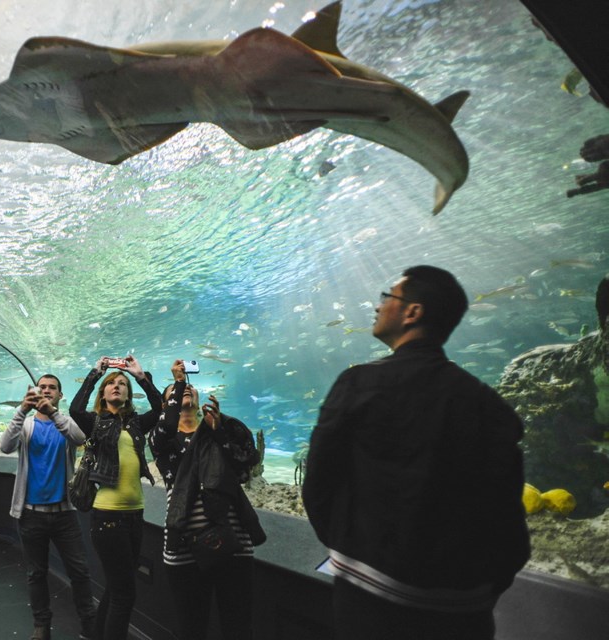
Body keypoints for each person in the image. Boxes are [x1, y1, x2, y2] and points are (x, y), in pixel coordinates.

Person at [302, 266, 531, 640]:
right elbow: (507, 516)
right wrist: (480, 589)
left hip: (370, 603)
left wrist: (349, 552)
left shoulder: (358, 385)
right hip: (464, 612)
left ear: (412, 312)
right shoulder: (490, 406)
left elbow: (318, 485)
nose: (378, 308)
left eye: (386, 298)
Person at [149, 360, 265, 640]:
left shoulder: (219, 429)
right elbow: (163, 430)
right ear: (167, 405)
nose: (185, 389)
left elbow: (246, 463)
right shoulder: (162, 438)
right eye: (176, 393)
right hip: (184, 544)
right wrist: (177, 383)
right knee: (191, 627)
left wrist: (220, 431)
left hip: (234, 541)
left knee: (238, 626)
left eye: (188, 387)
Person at [69, 355, 163, 640]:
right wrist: (96, 373)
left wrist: (139, 375)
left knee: (116, 586)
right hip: (108, 517)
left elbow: (160, 407)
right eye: (113, 384)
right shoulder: (95, 422)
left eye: (122, 384)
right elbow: (74, 408)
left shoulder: (136, 424)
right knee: (125, 594)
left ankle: (94, 634)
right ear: (104, 393)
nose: (118, 386)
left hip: (135, 514)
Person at [0, 375, 96, 640]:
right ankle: (42, 626)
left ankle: (89, 624)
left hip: (64, 513)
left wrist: (52, 413)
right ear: (33, 391)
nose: (46, 390)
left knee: (80, 572)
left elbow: (79, 438)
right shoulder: (26, 425)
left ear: (60, 396)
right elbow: (5, 446)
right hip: (30, 514)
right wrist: (22, 409)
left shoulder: (66, 424)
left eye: (52, 388)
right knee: (36, 574)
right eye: (42, 387)